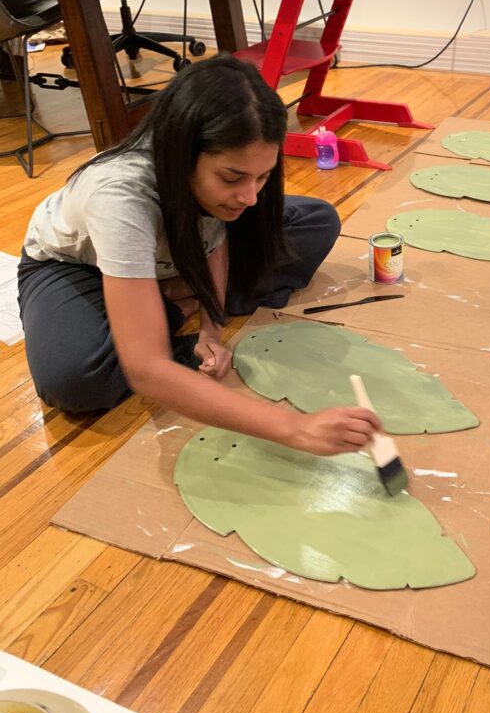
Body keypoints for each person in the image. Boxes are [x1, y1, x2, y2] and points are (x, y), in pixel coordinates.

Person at [18, 54, 381, 455]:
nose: (250, 196)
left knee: (317, 220)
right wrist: (295, 428)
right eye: (233, 177)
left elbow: (215, 235)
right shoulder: (119, 195)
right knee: (75, 380)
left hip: (170, 257)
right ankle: (163, 310)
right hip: (75, 267)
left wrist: (212, 326)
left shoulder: (226, 190)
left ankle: (163, 302)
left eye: (262, 176)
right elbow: (145, 370)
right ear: (183, 156)